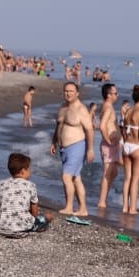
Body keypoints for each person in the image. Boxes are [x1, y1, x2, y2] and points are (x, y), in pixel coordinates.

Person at [52, 82, 93, 217]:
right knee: (76, 179)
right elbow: (58, 126)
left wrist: (90, 149)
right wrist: (54, 142)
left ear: (77, 93)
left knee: (66, 176)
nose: (68, 93)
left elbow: (90, 130)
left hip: (77, 146)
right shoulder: (63, 107)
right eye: (66, 91)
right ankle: (83, 209)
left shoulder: (81, 109)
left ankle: (69, 207)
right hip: (63, 148)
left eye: (71, 91)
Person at [0, 152, 52, 234]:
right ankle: (37, 227)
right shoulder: (31, 185)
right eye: (29, 169)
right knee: (49, 216)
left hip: (2, 224)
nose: (30, 171)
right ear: (23, 171)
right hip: (25, 226)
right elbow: (34, 209)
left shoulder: (1, 183)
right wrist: (34, 219)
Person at [122, 85, 139, 213]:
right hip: (137, 147)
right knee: (135, 180)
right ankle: (133, 208)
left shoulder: (128, 111)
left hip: (126, 146)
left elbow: (123, 128)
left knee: (127, 178)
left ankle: (125, 207)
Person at [96, 84, 122, 210]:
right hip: (109, 145)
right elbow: (102, 126)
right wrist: (108, 141)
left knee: (114, 172)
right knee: (108, 172)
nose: (117, 95)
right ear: (109, 95)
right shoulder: (108, 108)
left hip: (113, 145)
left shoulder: (109, 106)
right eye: (115, 93)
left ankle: (104, 197)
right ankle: (102, 201)